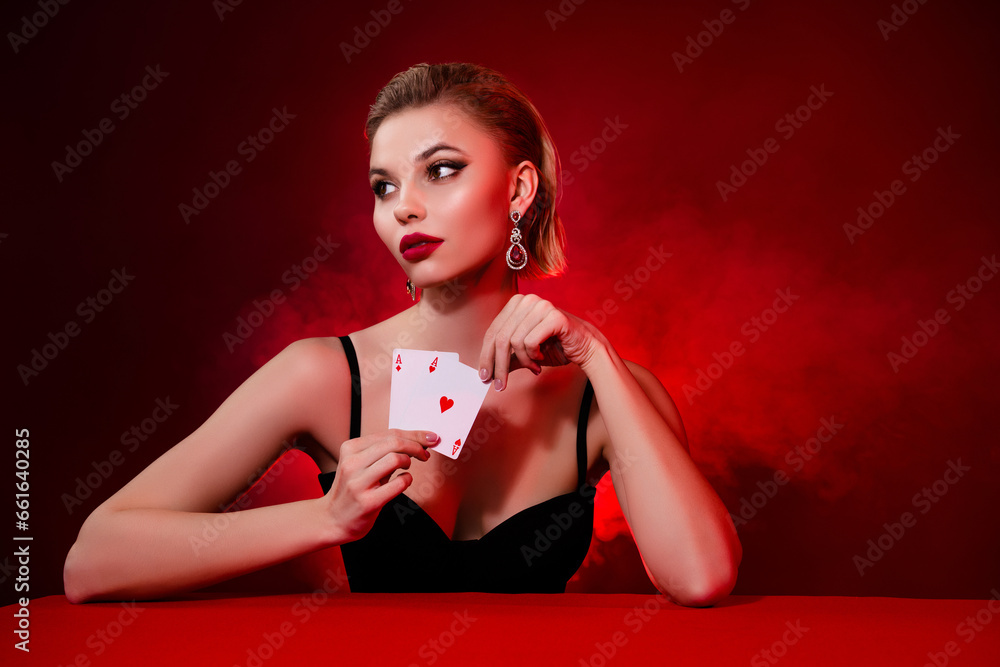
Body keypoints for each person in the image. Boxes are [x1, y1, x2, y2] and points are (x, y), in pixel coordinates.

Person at [63, 62, 741, 605]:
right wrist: (326, 519)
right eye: (383, 186)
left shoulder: (603, 392)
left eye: (441, 170)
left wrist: (595, 353)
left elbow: (702, 577)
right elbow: (94, 562)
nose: (404, 206)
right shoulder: (323, 375)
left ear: (519, 189)